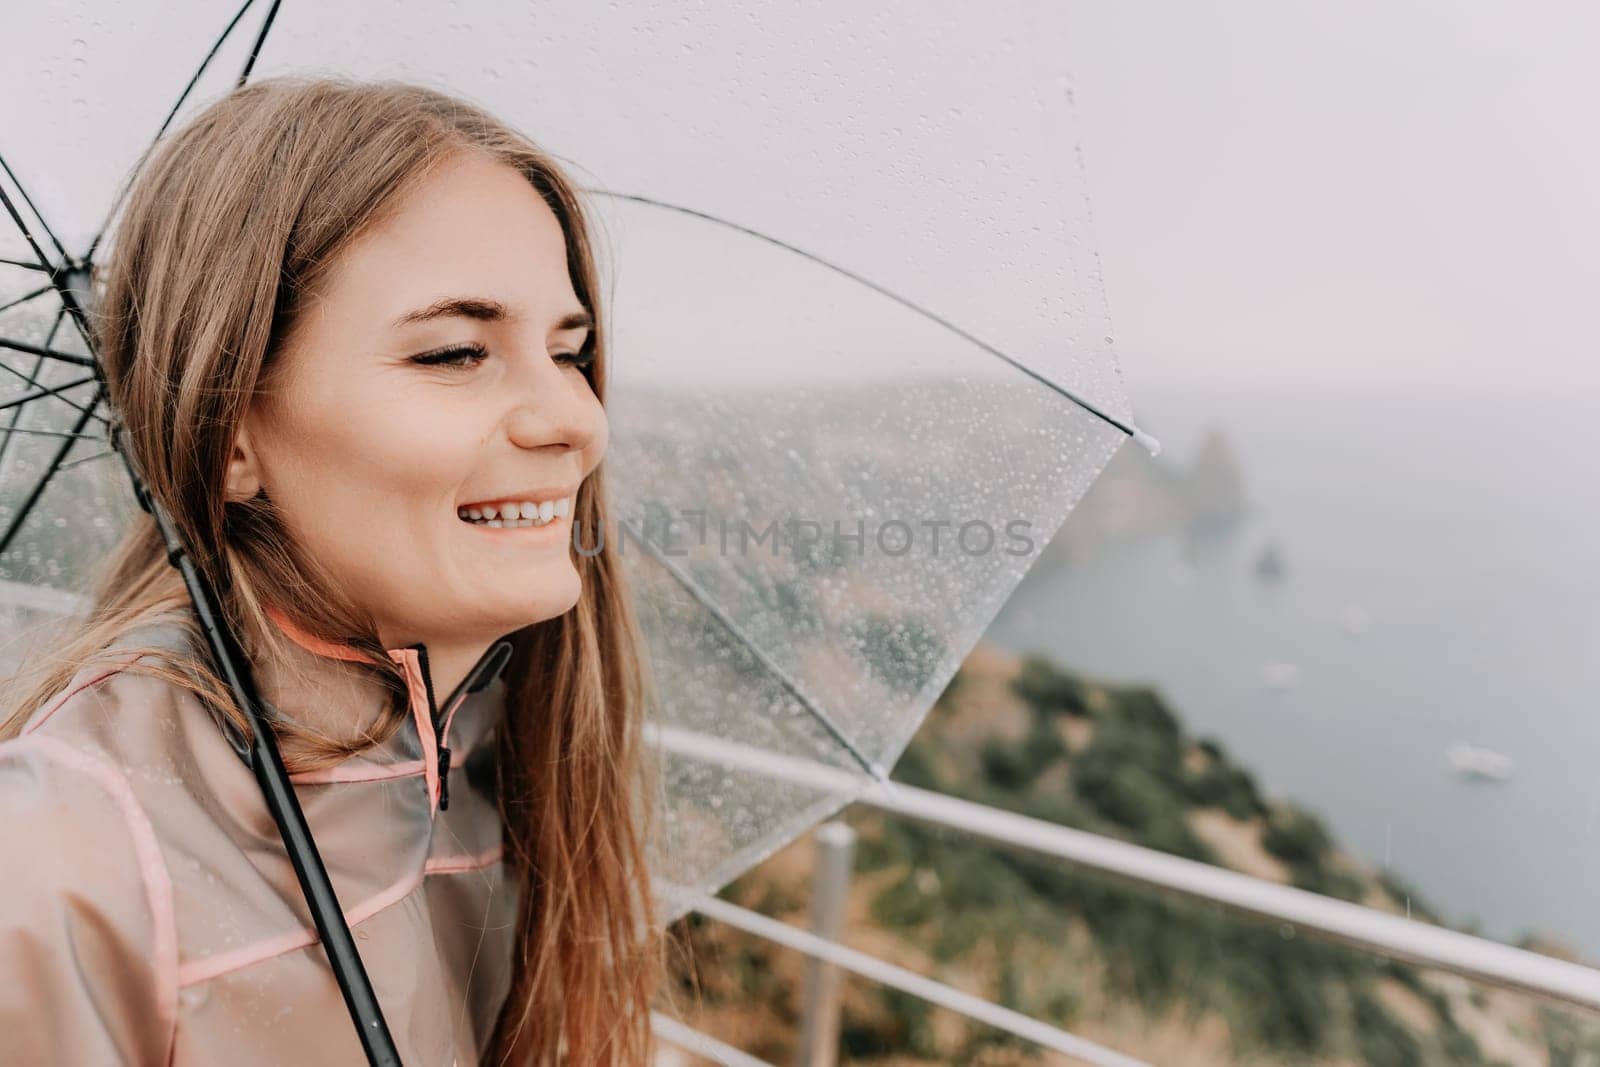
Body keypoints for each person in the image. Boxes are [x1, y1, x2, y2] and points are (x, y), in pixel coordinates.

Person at [0, 75, 662, 1065]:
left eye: (569, 351)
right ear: (229, 433)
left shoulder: (490, 741)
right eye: (453, 352)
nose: (572, 419)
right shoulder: (62, 864)